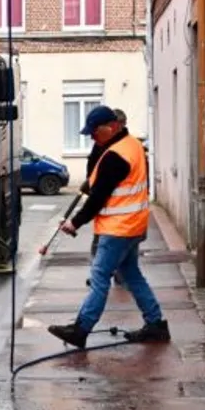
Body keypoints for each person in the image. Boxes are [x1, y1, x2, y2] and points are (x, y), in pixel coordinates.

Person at [48, 105, 170, 348]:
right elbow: (96, 176)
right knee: (132, 274)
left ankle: (81, 328)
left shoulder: (116, 155)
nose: (92, 137)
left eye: (95, 133)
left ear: (112, 127)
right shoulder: (131, 145)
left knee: (100, 277)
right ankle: (155, 323)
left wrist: (75, 222)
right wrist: (98, 145)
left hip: (118, 228)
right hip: (133, 225)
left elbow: (98, 196)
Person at [82, 108, 137, 288]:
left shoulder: (125, 149)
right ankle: (103, 274)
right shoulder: (101, 144)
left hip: (124, 214)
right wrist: (90, 181)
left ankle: (110, 276)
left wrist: (75, 222)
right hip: (110, 212)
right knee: (101, 245)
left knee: (122, 251)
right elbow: (93, 165)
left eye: (121, 125)